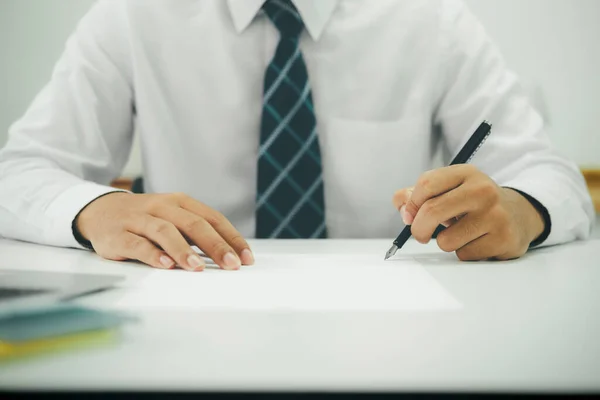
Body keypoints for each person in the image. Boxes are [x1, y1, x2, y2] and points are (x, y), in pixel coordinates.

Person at [0, 0, 593, 272]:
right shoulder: (130, 16)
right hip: (186, 316)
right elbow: (17, 171)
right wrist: (94, 209)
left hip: (392, 334)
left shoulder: (434, 20)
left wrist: (521, 209)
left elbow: (552, 176)